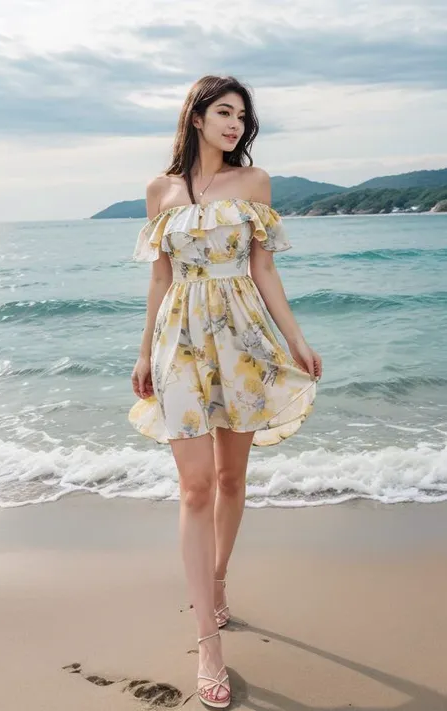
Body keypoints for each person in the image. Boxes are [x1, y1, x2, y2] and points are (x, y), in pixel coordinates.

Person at [129, 74, 322, 709]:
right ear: (196, 118)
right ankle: (208, 641)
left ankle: (214, 581)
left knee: (232, 481)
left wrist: (295, 339)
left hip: (241, 339)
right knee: (195, 487)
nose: (235, 123)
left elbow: (264, 266)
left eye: (242, 115)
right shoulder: (160, 191)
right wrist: (143, 350)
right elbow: (161, 278)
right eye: (224, 112)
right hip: (179, 340)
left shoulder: (254, 184)